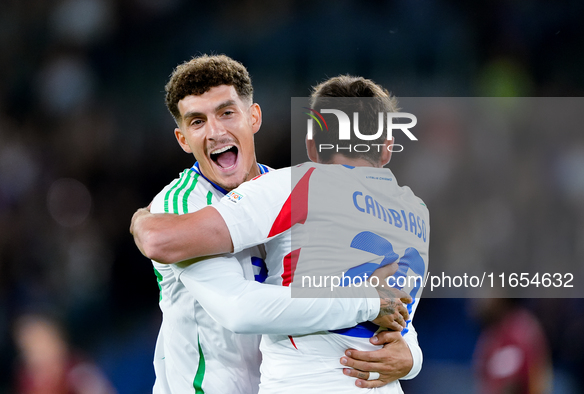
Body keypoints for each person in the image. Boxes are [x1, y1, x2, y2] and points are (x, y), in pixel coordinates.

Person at [137, 55, 419, 393]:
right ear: (183, 139)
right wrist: (367, 302)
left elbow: (377, 286)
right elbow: (239, 308)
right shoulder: (182, 204)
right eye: (197, 122)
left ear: (253, 117)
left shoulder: (287, 191)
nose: (215, 131)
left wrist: (410, 354)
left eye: (227, 113)